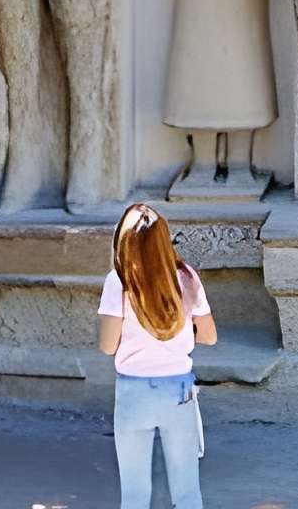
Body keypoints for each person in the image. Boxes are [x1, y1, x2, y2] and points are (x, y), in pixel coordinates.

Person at [96, 201, 216, 509]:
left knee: (135, 495)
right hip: (178, 391)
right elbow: (209, 336)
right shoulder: (187, 277)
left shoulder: (118, 281)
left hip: (133, 392)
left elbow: (108, 346)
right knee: (187, 491)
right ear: (164, 239)